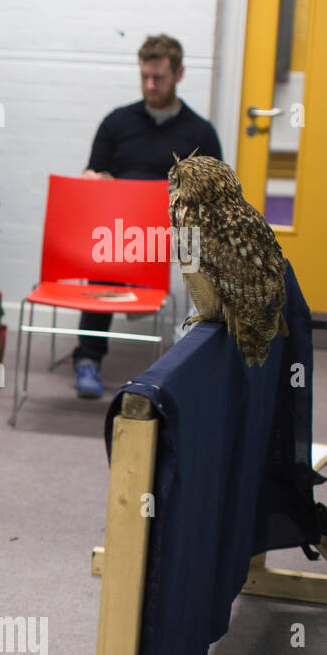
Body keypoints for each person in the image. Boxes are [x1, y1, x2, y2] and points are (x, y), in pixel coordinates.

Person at [74, 34, 222, 398]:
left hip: (173, 232)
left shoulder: (200, 132)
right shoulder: (117, 122)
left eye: (159, 78)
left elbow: (216, 198)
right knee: (104, 254)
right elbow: (93, 176)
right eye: (144, 77)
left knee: (204, 256)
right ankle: (88, 357)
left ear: (180, 74)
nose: (150, 85)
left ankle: (189, 358)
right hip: (119, 228)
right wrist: (93, 179)